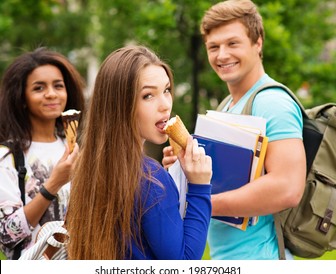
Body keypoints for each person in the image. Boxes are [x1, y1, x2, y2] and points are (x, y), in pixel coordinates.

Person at [163, 0, 306, 260]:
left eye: (233, 43)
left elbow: (288, 188)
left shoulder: (272, 103)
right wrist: (184, 168)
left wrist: (203, 203)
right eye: (213, 47)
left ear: (258, 42)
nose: (222, 55)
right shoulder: (227, 105)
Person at [65, 45, 212, 260]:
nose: (164, 105)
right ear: (120, 105)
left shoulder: (86, 168)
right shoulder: (150, 179)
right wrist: (200, 186)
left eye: (167, 90)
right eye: (147, 96)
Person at [0, 47, 85, 259]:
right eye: (39, 88)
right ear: (22, 98)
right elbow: (6, 234)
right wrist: (53, 184)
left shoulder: (75, 150)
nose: (51, 94)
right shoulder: (8, 156)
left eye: (58, 86)